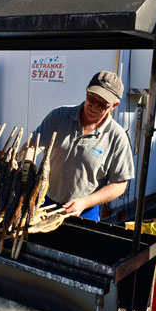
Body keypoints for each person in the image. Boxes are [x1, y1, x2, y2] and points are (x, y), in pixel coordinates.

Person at [28, 70, 134, 222]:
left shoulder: (117, 137)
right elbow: (33, 146)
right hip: (46, 203)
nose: (94, 107)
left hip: (84, 211)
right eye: (91, 99)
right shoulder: (59, 116)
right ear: (86, 92)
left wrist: (85, 202)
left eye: (102, 104)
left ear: (114, 105)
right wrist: (26, 163)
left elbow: (120, 184)